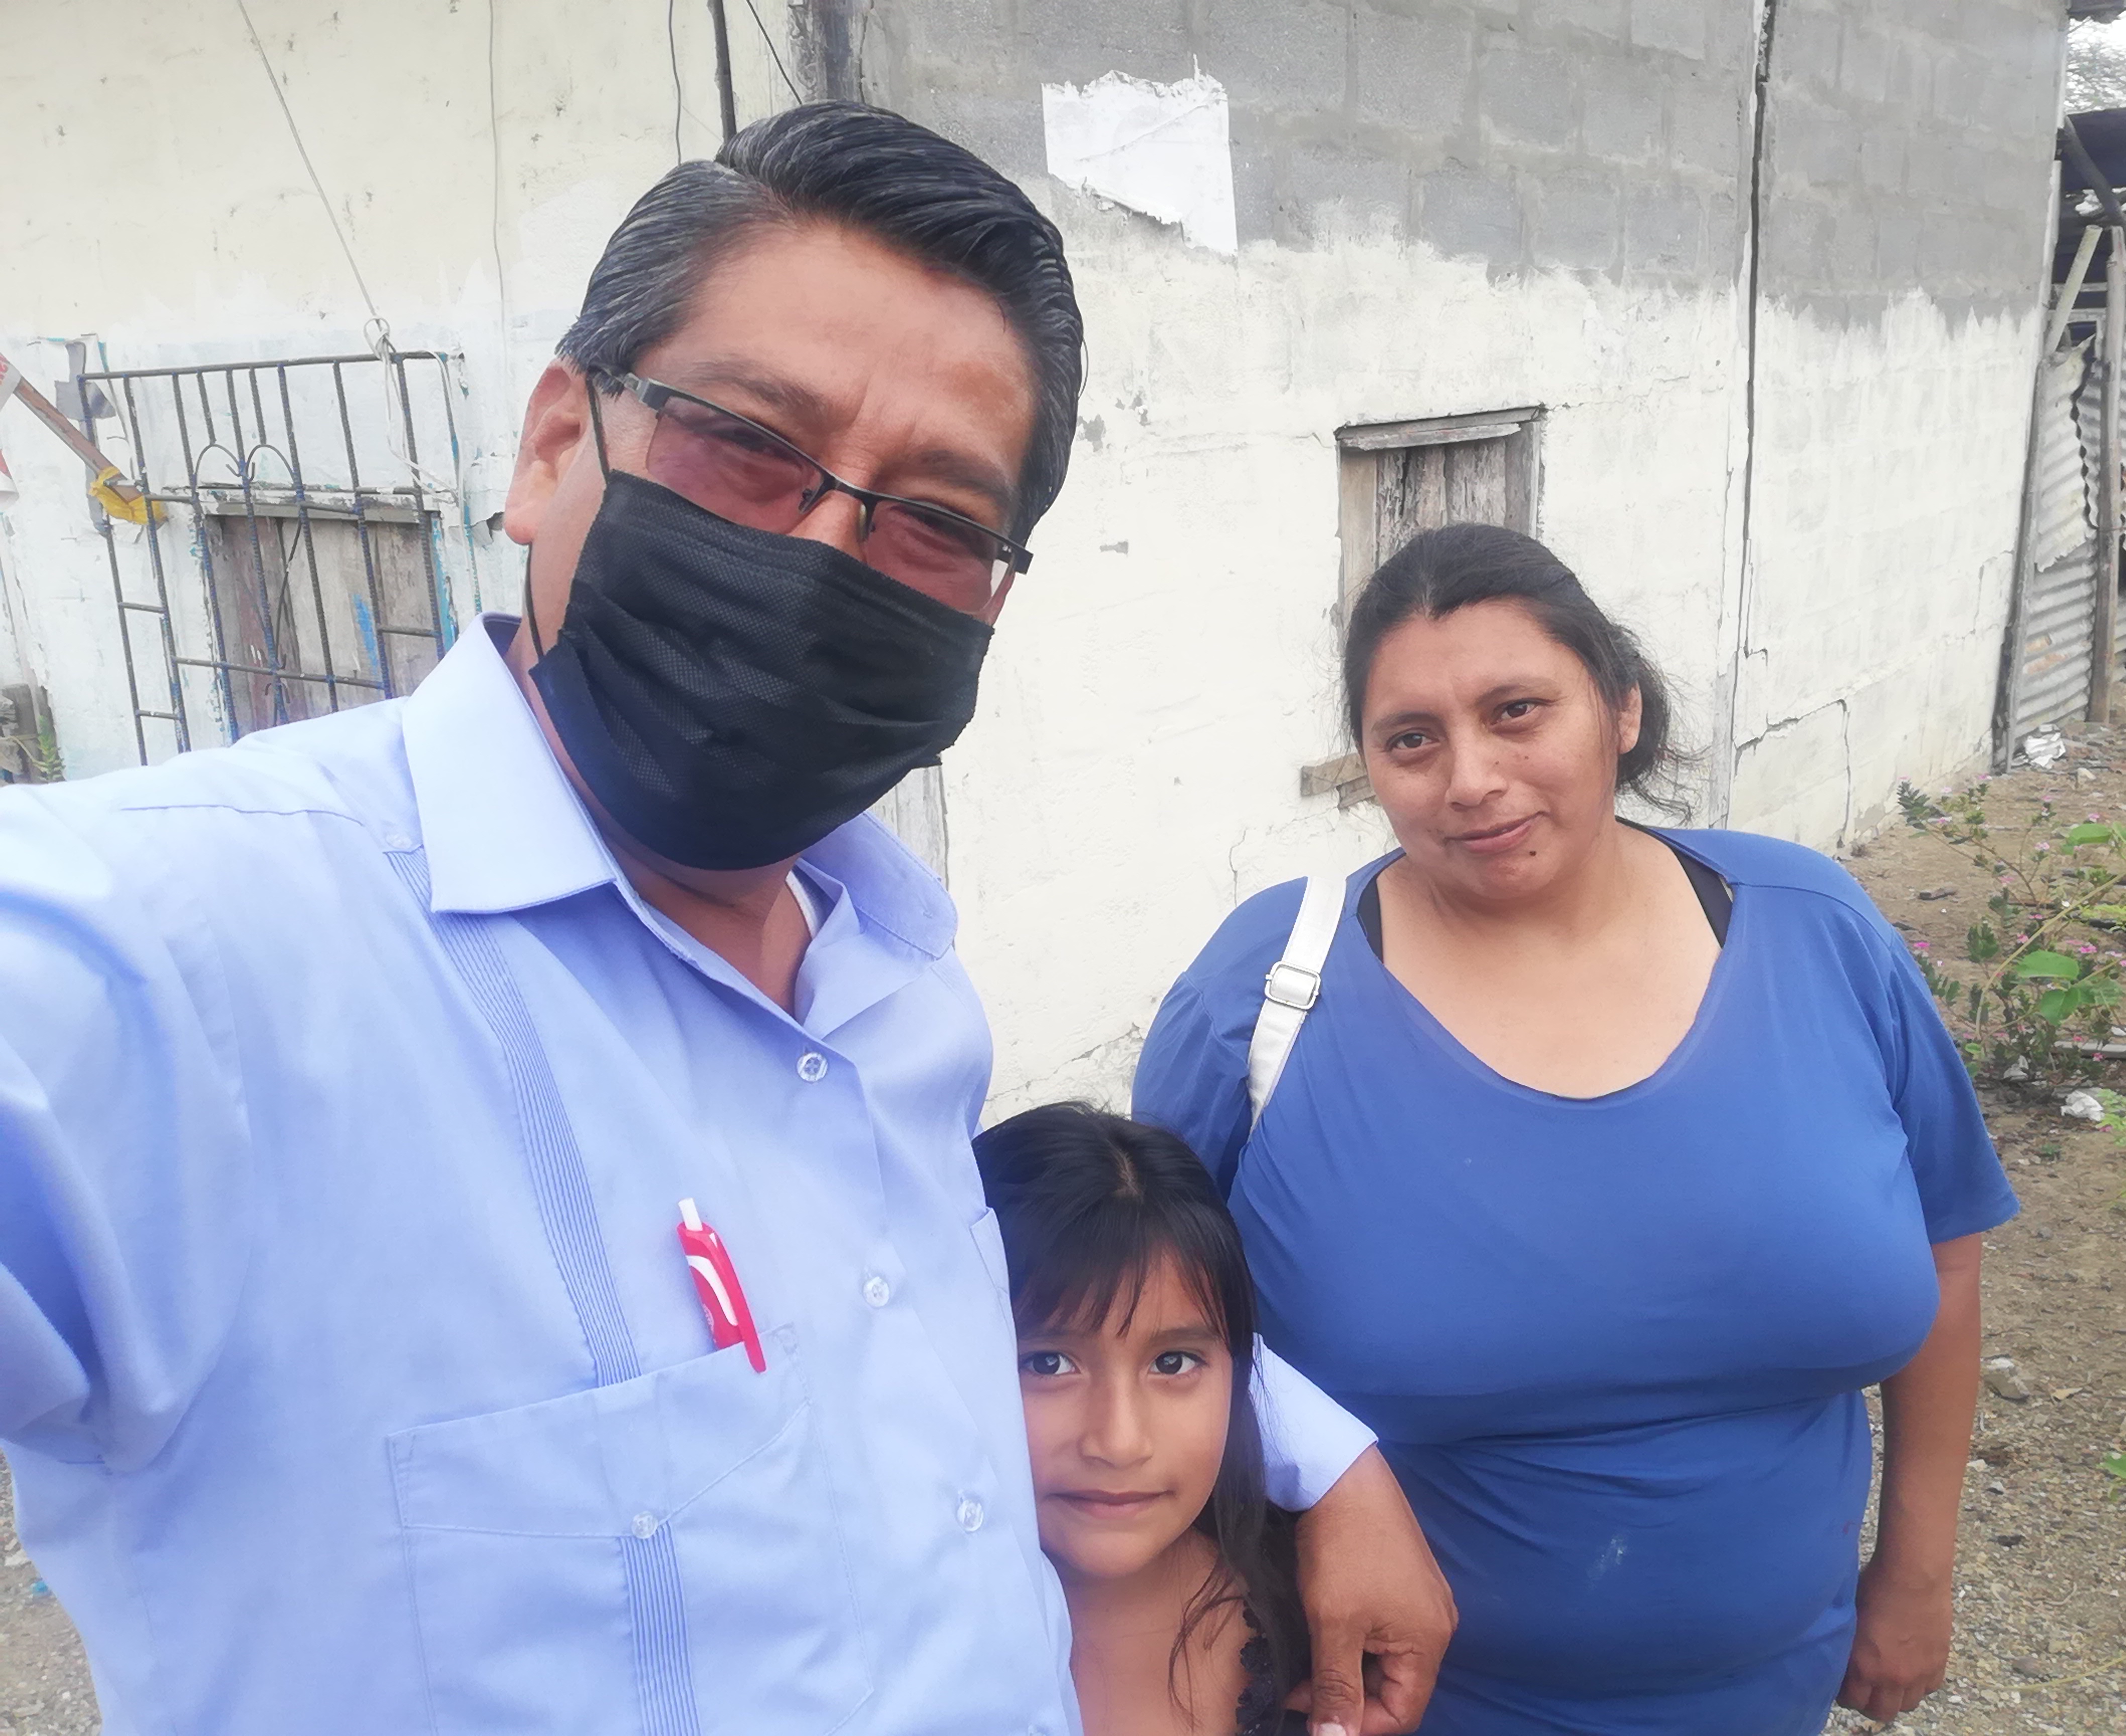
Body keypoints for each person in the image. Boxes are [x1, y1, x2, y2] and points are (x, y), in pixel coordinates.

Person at [0, 104, 1453, 1735]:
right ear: (554, 445)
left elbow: (980, 1326)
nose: (824, 555)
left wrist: (1326, 1461)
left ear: (991, 596)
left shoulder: (895, 989)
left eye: (934, 519)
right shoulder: (177, 964)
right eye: (747, 443)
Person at [1134, 523, 2018, 1735]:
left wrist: (1916, 1571)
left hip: (1769, 1691)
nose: (1469, 777)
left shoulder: (1815, 928)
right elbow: (1142, 1321)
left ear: (1623, 708)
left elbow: (1945, 1255)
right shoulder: (1269, 992)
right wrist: (1323, 1477)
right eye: (1411, 738)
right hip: (1386, 1700)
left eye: (1516, 711)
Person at [975, 1103, 1307, 1736]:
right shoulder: (875, 1655)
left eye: (1172, 1362)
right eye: (1047, 1363)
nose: (1120, 1442)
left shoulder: (1321, 1607)